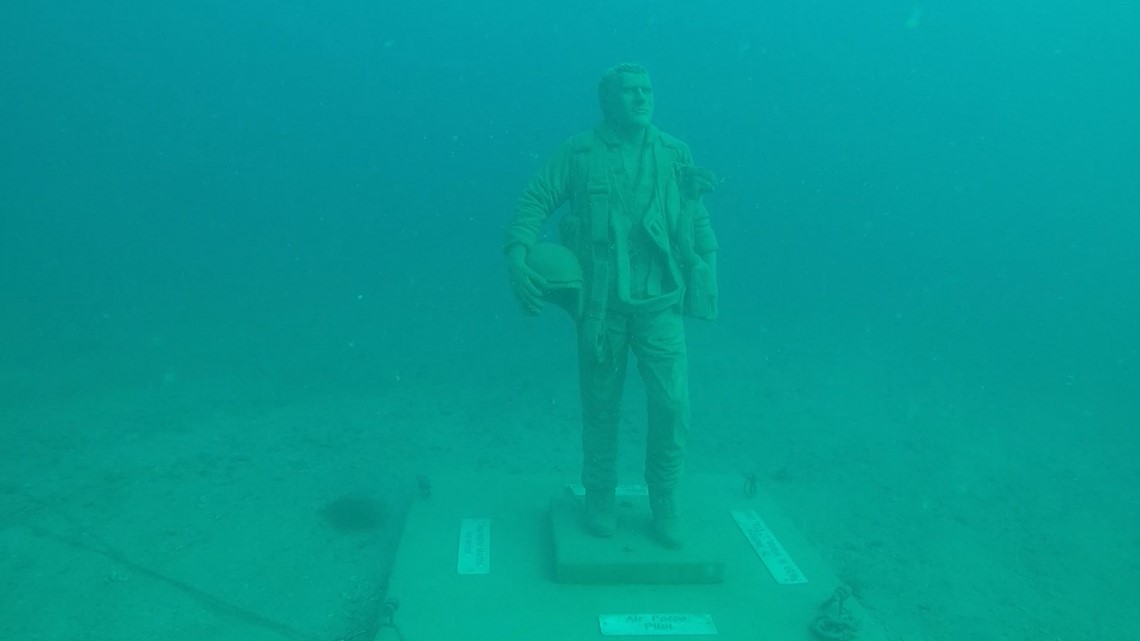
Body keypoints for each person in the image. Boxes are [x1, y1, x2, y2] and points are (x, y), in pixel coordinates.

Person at [503, 63, 719, 549]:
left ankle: (665, 499)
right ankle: (599, 496)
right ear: (607, 100)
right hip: (601, 308)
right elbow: (535, 198)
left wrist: (707, 263)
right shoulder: (579, 152)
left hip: (661, 302)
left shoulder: (674, 151)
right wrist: (517, 256)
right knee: (601, 407)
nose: (641, 98)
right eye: (629, 91)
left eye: (647, 89)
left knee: (672, 404)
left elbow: (695, 213)